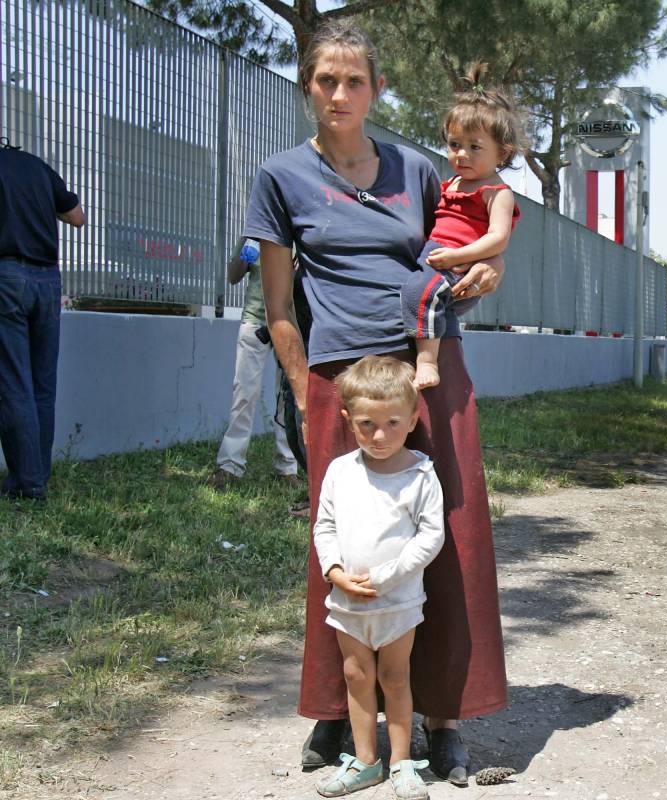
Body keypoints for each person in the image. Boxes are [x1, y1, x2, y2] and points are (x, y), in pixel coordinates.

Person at [243, 21, 507, 787]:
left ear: (375, 89)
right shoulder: (280, 177)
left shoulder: (419, 171)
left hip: (428, 369)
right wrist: (302, 388)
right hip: (340, 379)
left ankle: (443, 718)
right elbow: (280, 305)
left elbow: (459, 253)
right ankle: (337, 708)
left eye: (354, 80)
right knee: (345, 536)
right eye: (326, 79)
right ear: (308, 86)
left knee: (450, 530)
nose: (339, 93)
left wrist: (487, 277)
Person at [313, 356, 443, 799]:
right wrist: (334, 572)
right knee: (355, 675)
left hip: (398, 602)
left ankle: (403, 763)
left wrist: (386, 577)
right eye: (367, 424)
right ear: (349, 420)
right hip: (348, 602)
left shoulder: (420, 474)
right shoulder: (340, 472)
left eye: (392, 422)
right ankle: (366, 762)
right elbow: (324, 526)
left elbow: (431, 537)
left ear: (412, 419)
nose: (380, 435)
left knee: (395, 678)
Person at [401, 63, 521, 390]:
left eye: (474, 146)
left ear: (503, 153)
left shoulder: (497, 192)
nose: (462, 154)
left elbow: (498, 239)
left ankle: (426, 362)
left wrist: (458, 257)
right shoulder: (450, 183)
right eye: (455, 145)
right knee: (410, 287)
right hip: (438, 258)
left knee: (419, 292)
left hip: (459, 265)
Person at [0, 139, 85, 502]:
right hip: (48, 280)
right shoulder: (36, 167)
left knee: (13, 383)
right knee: (42, 385)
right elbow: (77, 217)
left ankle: (27, 481)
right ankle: (35, 474)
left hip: (6, 276)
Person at [210, 238, 301, 488]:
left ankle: (287, 468)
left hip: (290, 324)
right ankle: (229, 464)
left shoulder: (298, 237)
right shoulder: (254, 236)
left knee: (287, 398)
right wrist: (247, 252)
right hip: (254, 321)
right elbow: (232, 277)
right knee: (244, 394)